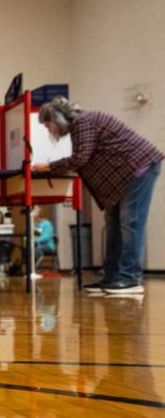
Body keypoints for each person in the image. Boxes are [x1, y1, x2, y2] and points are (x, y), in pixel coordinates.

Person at [34, 97, 162, 294]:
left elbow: (81, 158)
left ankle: (130, 279)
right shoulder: (81, 125)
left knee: (130, 223)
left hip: (139, 168)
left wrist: (49, 166)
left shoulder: (83, 122)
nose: (48, 129)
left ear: (58, 119)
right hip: (123, 176)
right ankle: (111, 277)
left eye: (47, 124)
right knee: (112, 226)